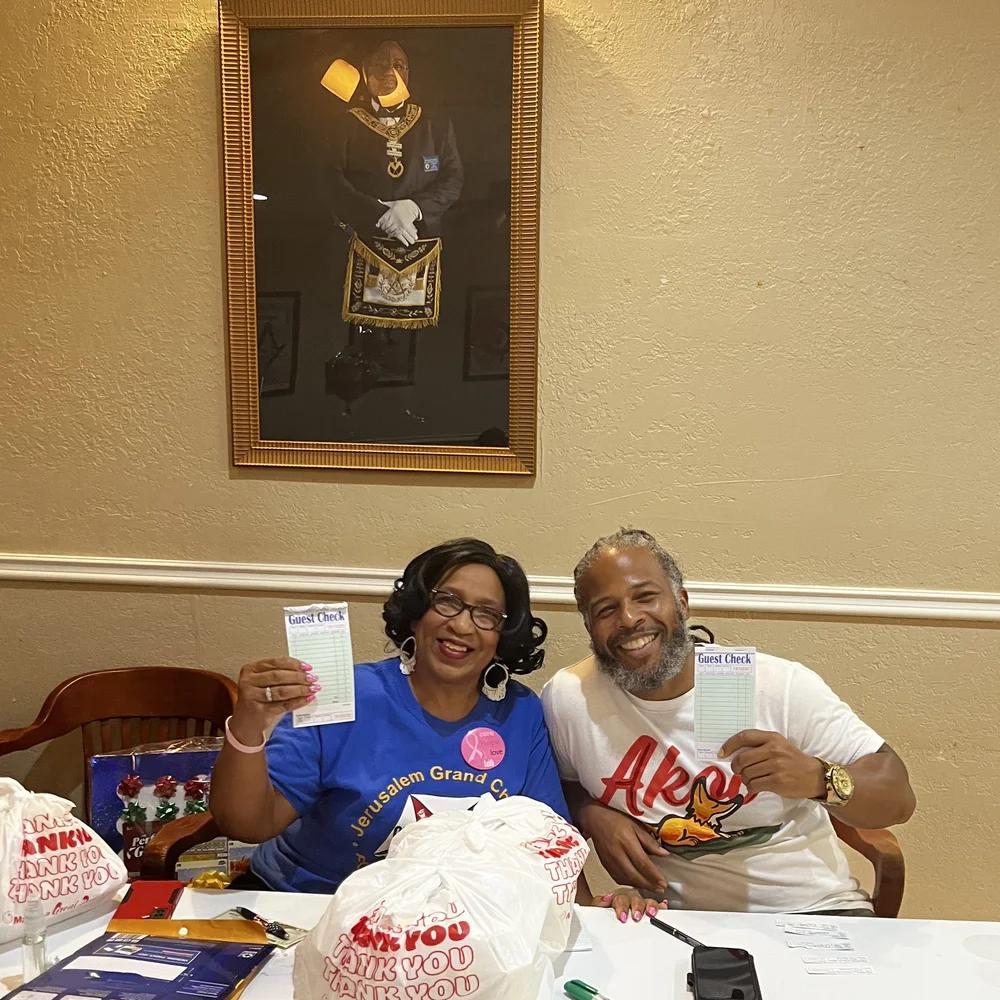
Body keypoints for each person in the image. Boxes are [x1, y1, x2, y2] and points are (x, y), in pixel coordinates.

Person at [211, 538, 661, 921]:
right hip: (308, 911)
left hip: (450, 934)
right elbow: (247, 823)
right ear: (416, 613)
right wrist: (249, 723)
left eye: (487, 614)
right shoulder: (345, 698)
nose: (462, 625)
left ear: (502, 637)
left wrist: (590, 915)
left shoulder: (522, 715)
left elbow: (547, 849)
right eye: (447, 602)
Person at [541, 528, 917, 915]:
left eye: (646, 597)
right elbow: (559, 786)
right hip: (675, 919)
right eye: (606, 610)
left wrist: (818, 778)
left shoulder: (766, 685)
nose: (630, 618)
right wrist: (591, 813)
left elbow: (899, 799)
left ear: (682, 603)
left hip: (813, 910)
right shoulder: (571, 698)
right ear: (589, 626)